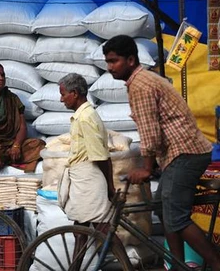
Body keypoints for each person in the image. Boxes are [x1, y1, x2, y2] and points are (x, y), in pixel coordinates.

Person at [103, 35, 220, 270]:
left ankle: (217, 263)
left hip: (185, 152)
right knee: (161, 207)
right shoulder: (142, 81)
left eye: (114, 61)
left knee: (176, 216)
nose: (109, 67)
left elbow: (150, 131)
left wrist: (146, 168)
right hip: (179, 153)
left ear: (131, 59)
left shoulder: (141, 85)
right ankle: (177, 265)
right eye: (107, 61)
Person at [57, 73, 121, 268]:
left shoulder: (86, 118)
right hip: (83, 179)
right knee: (81, 232)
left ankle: (128, 265)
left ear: (75, 93)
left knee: (102, 227)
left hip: (89, 181)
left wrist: (109, 188)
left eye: (63, 94)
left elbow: (101, 156)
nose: (61, 99)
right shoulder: (82, 116)